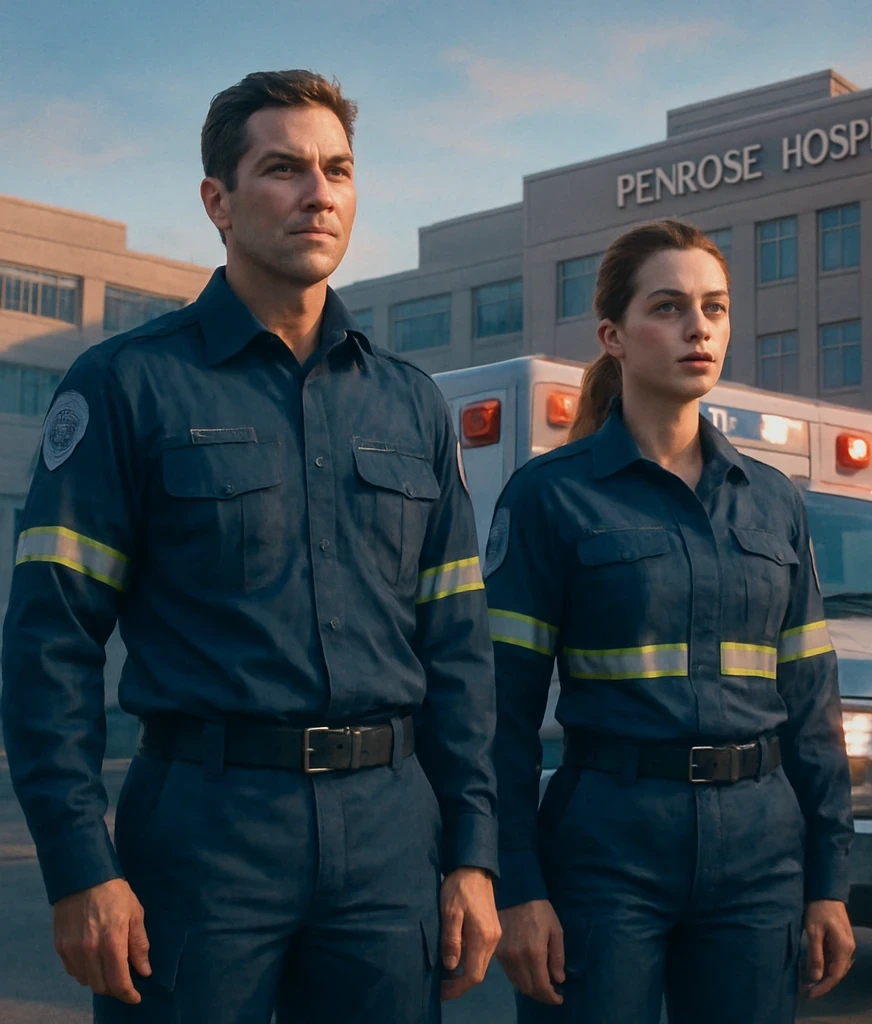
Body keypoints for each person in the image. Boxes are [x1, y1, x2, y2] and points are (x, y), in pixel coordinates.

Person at [1, 69, 500, 1023]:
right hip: (202, 832)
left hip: (390, 834)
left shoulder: (412, 404)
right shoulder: (126, 386)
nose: (320, 192)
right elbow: (49, 644)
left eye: (339, 169)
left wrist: (474, 851)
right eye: (284, 168)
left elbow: (460, 653)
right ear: (217, 202)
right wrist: (78, 866)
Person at [485, 219, 856, 1023]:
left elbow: (813, 707)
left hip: (761, 851)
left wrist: (828, 878)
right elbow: (499, 718)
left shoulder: (774, 500)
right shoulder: (550, 497)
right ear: (613, 335)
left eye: (715, 309)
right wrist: (516, 884)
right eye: (670, 307)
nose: (699, 328)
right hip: (605, 845)